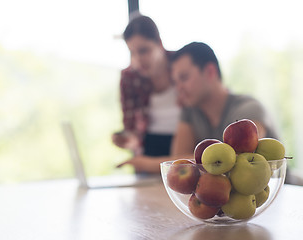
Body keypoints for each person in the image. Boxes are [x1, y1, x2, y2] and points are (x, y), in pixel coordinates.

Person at [117, 41, 279, 173]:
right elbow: (179, 164)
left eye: (184, 78)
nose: (178, 88)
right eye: (176, 81)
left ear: (209, 71)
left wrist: (145, 163)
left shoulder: (248, 109)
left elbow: (234, 160)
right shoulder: (190, 111)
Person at [112, 14, 181, 157]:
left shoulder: (180, 64)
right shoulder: (129, 77)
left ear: (159, 44)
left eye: (144, 50)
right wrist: (127, 139)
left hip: (185, 146)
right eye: (132, 53)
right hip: (148, 151)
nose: (138, 59)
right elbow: (131, 127)